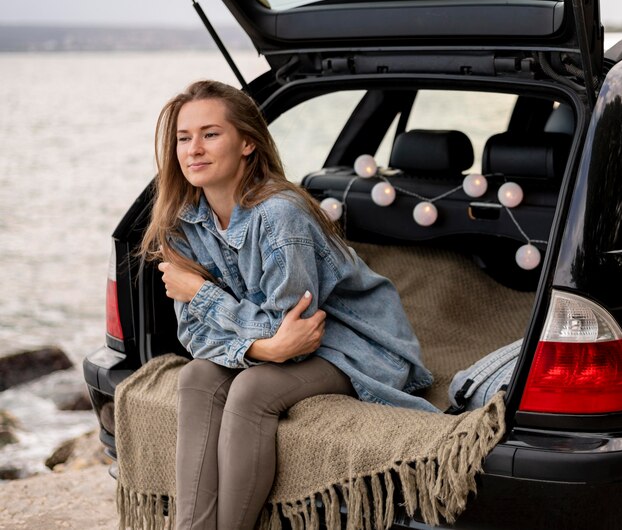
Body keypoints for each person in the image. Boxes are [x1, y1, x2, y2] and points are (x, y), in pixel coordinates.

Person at [139, 80, 436, 530]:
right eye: (184, 138)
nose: (193, 149)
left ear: (248, 144)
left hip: (352, 344)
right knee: (198, 376)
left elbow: (295, 337)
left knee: (252, 390)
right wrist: (263, 350)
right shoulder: (183, 221)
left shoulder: (280, 215)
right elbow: (197, 338)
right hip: (278, 346)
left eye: (210, 134)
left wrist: (202, 294)